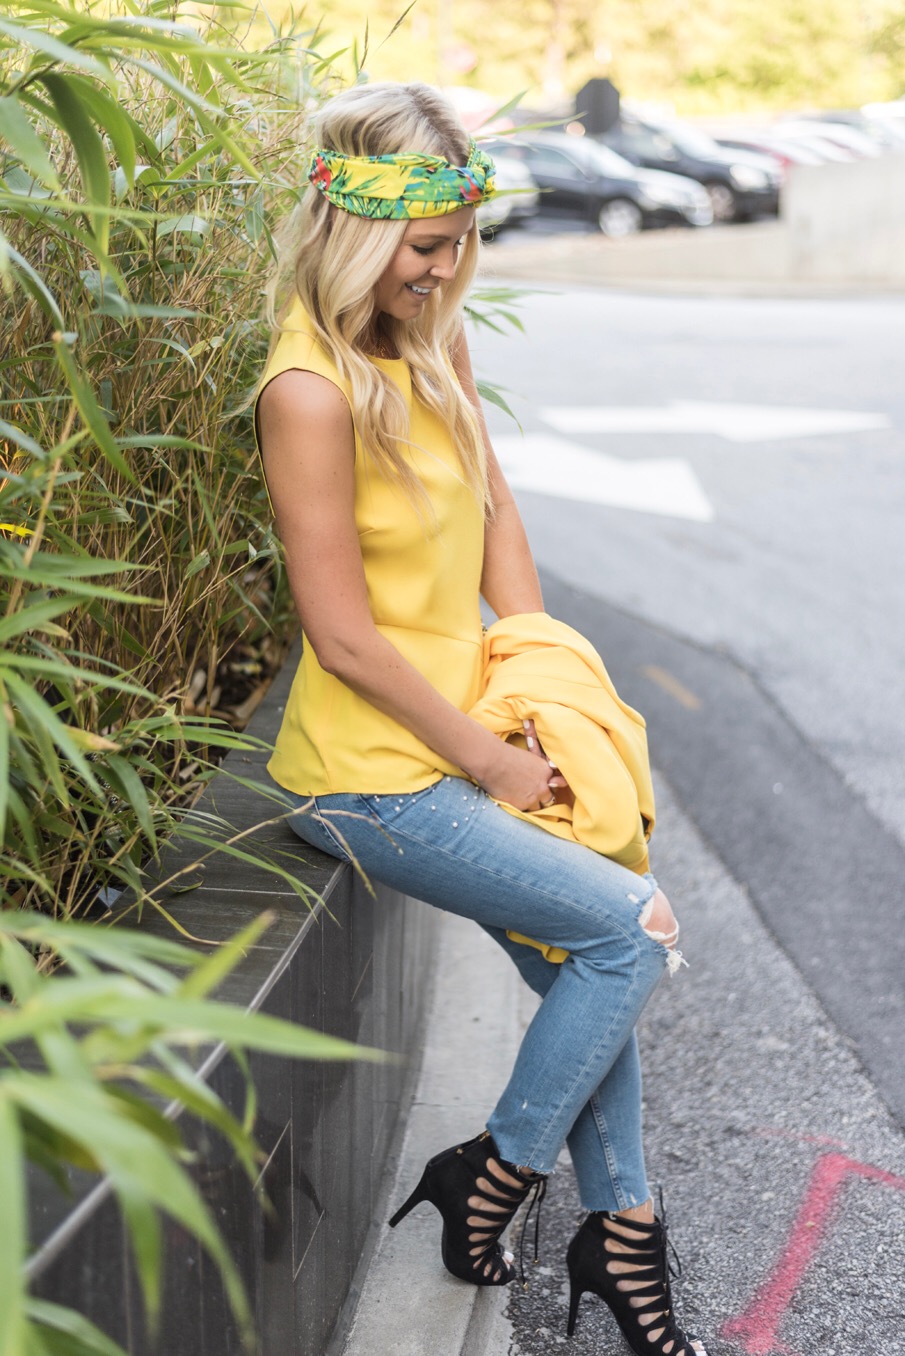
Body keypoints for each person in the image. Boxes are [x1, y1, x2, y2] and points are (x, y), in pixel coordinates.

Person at [255, 81, 707, 1355]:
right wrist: (493, 767)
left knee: (589, 967)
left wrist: (542, 693)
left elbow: (497, 513)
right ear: (351, 230)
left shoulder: (434, 338)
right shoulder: (310, 392)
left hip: (471, 737)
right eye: (426, 245)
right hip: (370, 779)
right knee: (630, 930)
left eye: (460, 244)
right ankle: (496, 1174)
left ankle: (620, 1236)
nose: (447, 270)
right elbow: (340, 635)